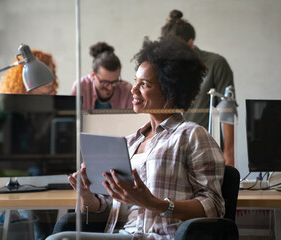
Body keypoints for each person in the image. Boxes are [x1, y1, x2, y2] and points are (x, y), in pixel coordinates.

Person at [51, 37, 225, 240]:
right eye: (136, 82)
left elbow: (214, 207)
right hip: (120, 234)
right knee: (63, 231)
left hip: (158, 237)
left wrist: (154, 203)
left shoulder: (191, 135)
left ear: (169, 91)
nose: (133, 90)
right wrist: (86, 194)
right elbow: (110, 209)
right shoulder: (130, 142)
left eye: (144, 84)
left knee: (60, 238)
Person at [161, 10, 236, 167]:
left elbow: (227, 109)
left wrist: (229, 156)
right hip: (169, 147)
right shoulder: (161, 67)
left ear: (190, 43)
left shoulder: (216, 63)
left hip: (205, 147)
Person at [0, 49, 59, 240]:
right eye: (44, 75)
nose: (50, 81)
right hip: (21, 174)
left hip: (44, 171)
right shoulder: (12, 111)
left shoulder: (51, 105)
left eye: (50, 74)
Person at [71, 42, 133, 110]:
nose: (110, 88)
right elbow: (72, 118)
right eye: (105, 82)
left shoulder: (127, 90)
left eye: (115, 82)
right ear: (93, 74)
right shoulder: (80, 87)